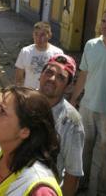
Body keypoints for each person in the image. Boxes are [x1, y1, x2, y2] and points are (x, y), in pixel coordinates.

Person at [69, 8, 106, 195]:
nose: (105, 25)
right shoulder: (91, 44)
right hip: (87, 106)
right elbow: (84, 74)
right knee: (83, 148)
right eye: (103, 21)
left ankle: (94, 191)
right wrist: (73, 100)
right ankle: (80, 185)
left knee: (102, 154)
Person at [38, 53, 85, 196]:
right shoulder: (22, 103)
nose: (52, 79)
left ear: (69, 87)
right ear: (41, 75)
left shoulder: (71, 122)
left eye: (60, 77)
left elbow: (72, 174)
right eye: (49, 72)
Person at [15, 21, 63, 89]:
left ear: (49, 35)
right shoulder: (25, 52)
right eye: (36, 34)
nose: (38, 38)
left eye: (42, 35)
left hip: (47, 95)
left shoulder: (57, 53)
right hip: (29, 94)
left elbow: (59, 77)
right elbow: (19, 77)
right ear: (33, 35)